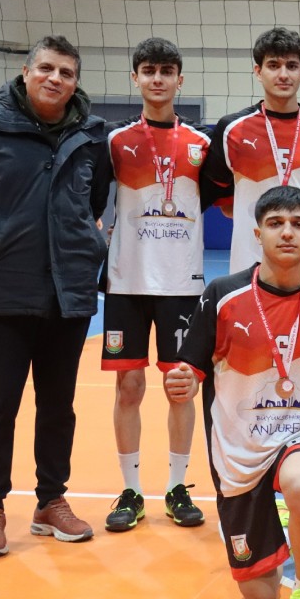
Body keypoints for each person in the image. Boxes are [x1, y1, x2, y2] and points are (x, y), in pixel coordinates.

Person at [0, 35, 110, 557]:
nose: (56, 79)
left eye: (66, 73)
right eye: (46, 68)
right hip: (5, 290)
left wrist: (86, 246)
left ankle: (51, 501)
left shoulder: (91, 135)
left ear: (76, 82)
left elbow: (94, 200)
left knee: (58, 406)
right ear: (26, 72)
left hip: (68, 292)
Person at [164, 186, 300, 599]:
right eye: (275, 224)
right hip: (238, 447)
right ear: (257, 233)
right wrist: (182, 382)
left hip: (299, 431)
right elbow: (191, 369)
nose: (287, 233)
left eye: (298, 225)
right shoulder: (222, 295)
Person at [101, 37, 211, 533]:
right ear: (136, 78)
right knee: (129, 385)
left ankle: (176, 487)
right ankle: (130, 490)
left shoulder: (202, 145)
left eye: (167, 71)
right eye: (149, 70)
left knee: (180, 387)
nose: (158, 79)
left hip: (181, 283)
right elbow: (88, 199)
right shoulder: (115, 141)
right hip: (127, 281)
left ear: (179, 80)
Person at [201, 26, 300, 280]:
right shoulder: (232, 129)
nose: (283, 74)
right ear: (258, 71)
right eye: (273, 65)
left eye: (291, 66)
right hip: (249, 263)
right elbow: (217, 199)